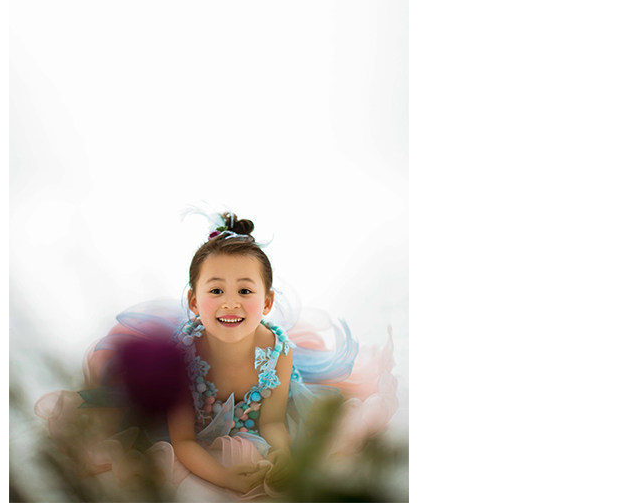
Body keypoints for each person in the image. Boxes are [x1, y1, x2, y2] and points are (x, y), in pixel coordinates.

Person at [33, 210, 398, 500]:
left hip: (251, 433)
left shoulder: (278, 351)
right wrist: (225, 478)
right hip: (189, 440)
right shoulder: (184, 355)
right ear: (194, 301)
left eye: (245, 290)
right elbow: (183, 441)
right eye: (216, 290)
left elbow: (272, 422)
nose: (230, 303)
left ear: (267, 302)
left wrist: (282, 454)